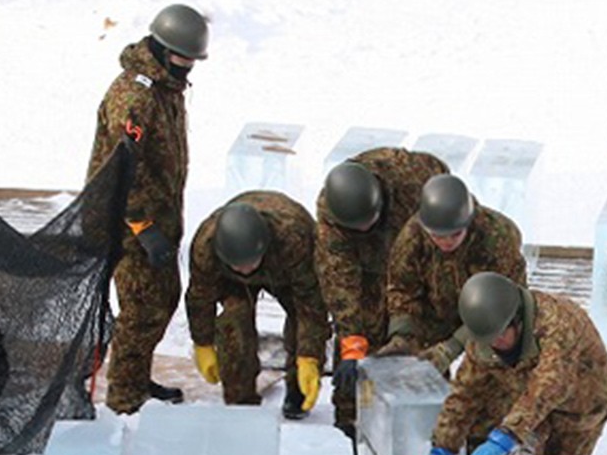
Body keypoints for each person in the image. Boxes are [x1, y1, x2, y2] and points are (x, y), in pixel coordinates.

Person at [415, 273, 607, 455]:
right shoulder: (485, 338)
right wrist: (441, 450)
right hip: (527, 403)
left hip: (582, 406)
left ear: (517, 320)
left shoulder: (558, 325)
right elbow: (464, 396)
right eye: (488, 339)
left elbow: (549, 384)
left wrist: (505, 434)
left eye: (500, 335)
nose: (494, 343)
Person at [88, 3, 205, 414]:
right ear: (159, 48)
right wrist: (142, 224)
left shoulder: (165, 88)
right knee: (142, 308)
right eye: (180, 59)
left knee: (163, 298)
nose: (186, 68)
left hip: (158, 218)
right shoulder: (134, 95)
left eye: (192, 62)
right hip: (127, 222)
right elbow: (121, 167)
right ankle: (123, 396)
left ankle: (135, 375)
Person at [315, 147, 451, 437]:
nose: (364, 227)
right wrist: (352, 345)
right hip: (366, 264)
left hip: (415, 252)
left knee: (419, 330)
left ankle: (430, 421)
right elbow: (339, 279)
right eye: (358, 226)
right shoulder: (332, 212)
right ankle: (350, 421)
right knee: (362, 331)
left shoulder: (414, 181)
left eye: (368, 222)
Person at [182, 194, 330, 419]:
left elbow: (311, 304)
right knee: (233, 320)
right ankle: (240, 397)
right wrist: (202, 342)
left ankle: (298, 386)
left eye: (250, 264)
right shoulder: (207, 245)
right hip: (232, 281)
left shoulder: (295, 239)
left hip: (284, 269)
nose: (245, 271)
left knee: (300, 318)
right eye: (238, 266)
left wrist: (309, 356)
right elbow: (200, 297)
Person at [381, 175, 527, 372]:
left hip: (490, 318)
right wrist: (402, 337)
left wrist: (452, 347)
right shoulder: (411, 238)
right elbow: (403, 290)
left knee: (488, 380)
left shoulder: (498, 237)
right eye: (437, 236)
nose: (447, 242)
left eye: (456, 234)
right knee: (424, 378)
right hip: (433, 314)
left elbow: (505, 303)